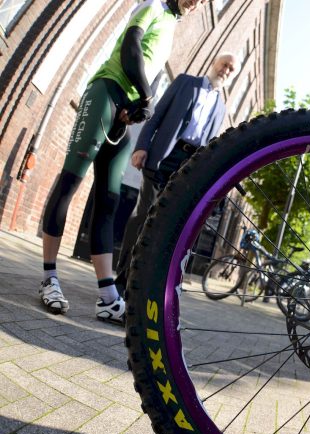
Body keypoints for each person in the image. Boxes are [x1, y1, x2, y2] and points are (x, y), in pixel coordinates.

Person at [38, 0, 205, 324]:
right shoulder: (154, 5)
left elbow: (145, 69)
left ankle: (107, 296)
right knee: (70, 182)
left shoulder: (172, 23)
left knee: (108, 203)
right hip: (106, 91)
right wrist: (146, 98)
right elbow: (130, 48)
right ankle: (49, 278)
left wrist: (139, 103)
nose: (197, 2)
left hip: (123, 116)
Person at [115, 52, 237, 291]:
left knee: (164, 225)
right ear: (215, 63)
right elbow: (156, 116)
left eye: (231, 69)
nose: (226, 70)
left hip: (188, 166)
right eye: (225, 64)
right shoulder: (185, 82)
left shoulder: (221, 108)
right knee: (143, 217)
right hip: (164, 156)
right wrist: (142, 147)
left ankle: (139, 286)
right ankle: (120, 282)